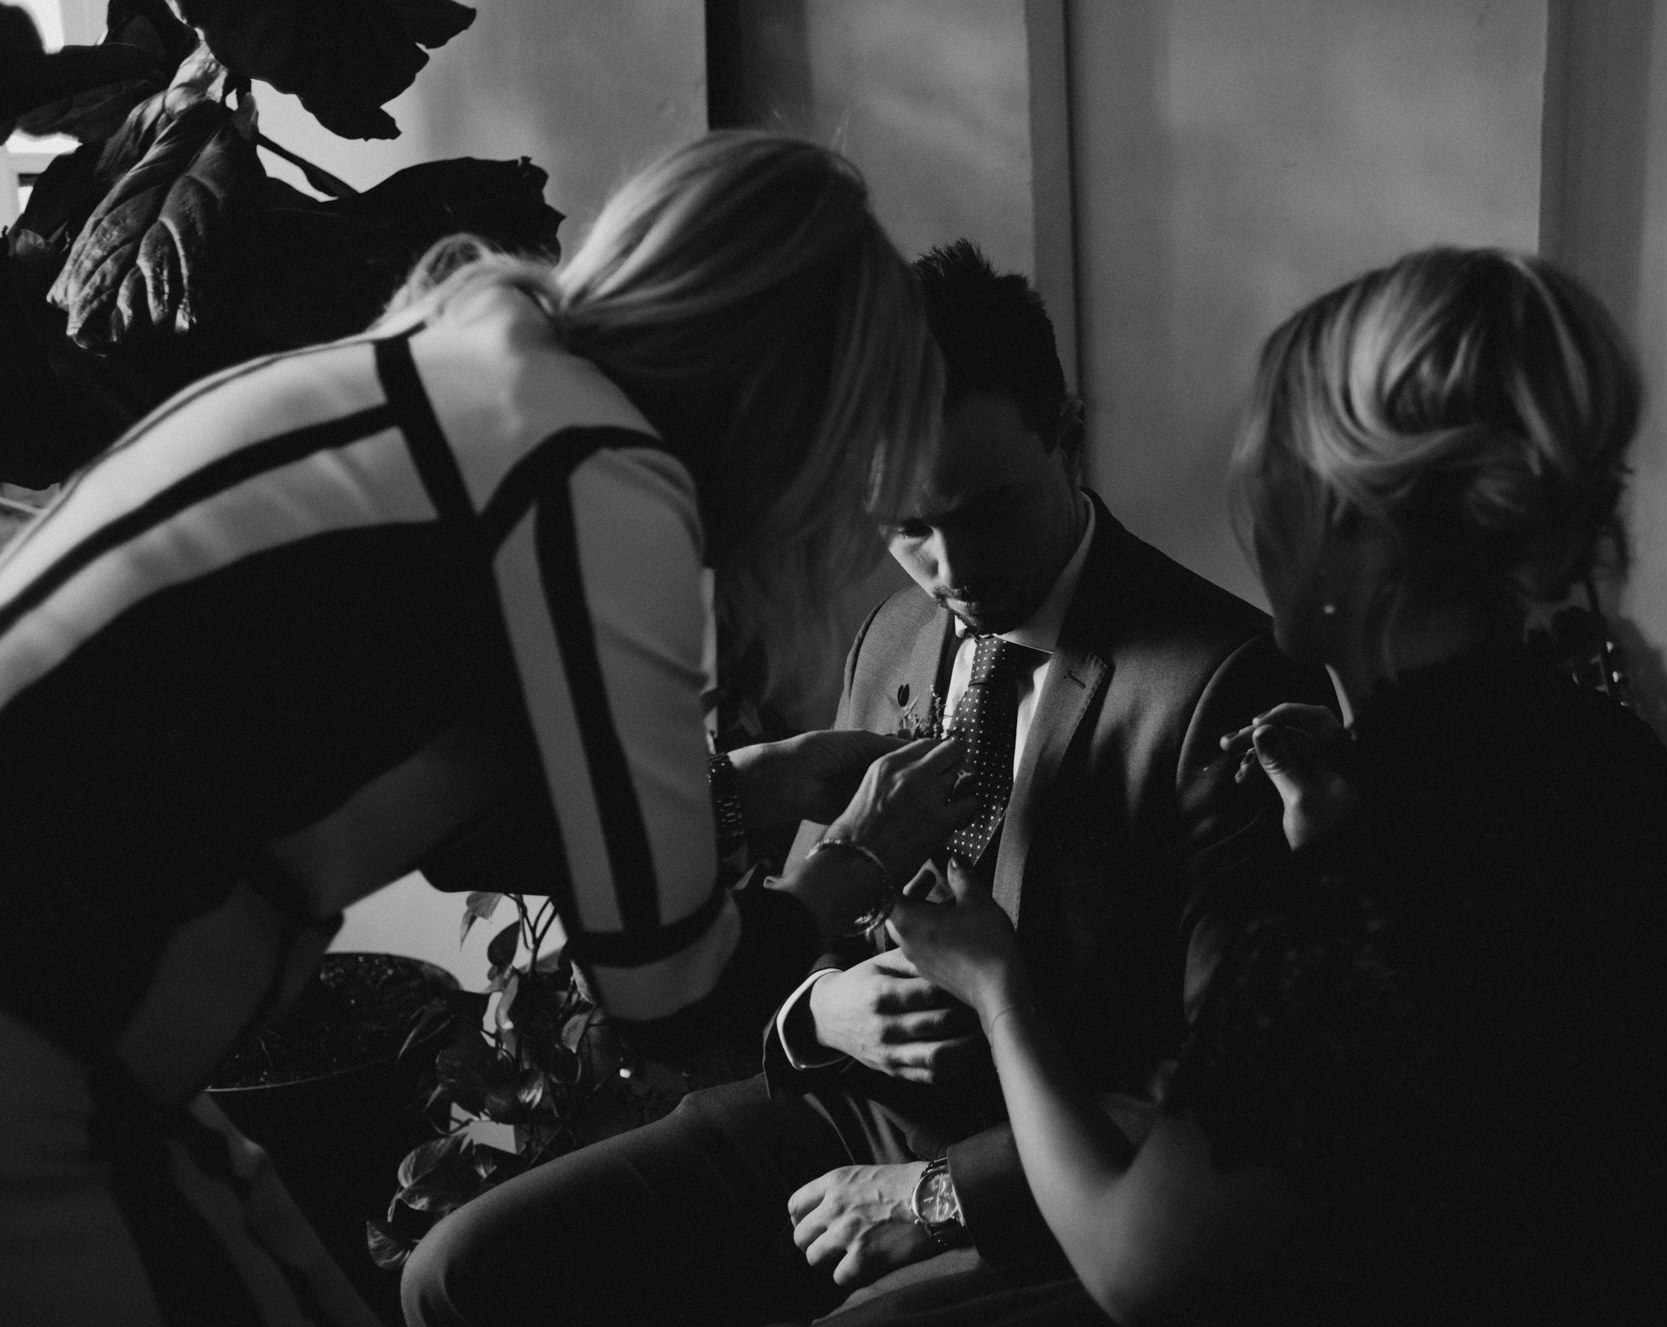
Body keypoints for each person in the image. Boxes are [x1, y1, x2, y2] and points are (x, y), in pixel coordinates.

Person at [0, 130, 973, 1326]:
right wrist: (858, 860)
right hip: (47, 1033)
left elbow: (460, 821)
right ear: (794, 402)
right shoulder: (597, 477)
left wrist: (747, 789)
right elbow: (672, 996)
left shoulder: (468, 364)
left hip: (79, 1027)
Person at [400, 241, 1334, 1327]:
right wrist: (817, 1009)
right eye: (905, 528)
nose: (953, 570)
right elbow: (814, 924)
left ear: (1066, 436)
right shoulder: (893, 632)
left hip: (1061, 1171)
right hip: (840, 1103)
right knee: (460, 1272)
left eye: (986, 512)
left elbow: (1224, 1096)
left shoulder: (1226, 683)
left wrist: (941, 1195)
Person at [883, 246, 1667, 1325]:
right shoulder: (1606, 760)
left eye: (1264, 476)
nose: (1249, 516)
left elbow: (1140, 1266)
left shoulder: (1380, 859)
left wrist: (997, 986)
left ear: (1347, 522)